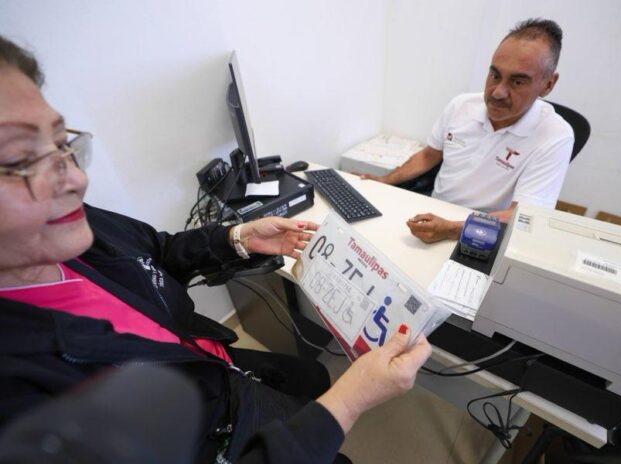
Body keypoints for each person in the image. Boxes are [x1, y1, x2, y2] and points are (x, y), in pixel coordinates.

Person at [0, 36, 432, 463]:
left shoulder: (75, 231)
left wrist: (238, 238)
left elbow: (158, 251)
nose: (77, 180)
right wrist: (349, 403)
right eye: (20, 161)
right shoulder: (20, 406)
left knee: (314, 374)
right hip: (214, 437)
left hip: (212, 366)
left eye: (62, 144)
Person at [360, 18, 574, 243]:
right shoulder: (462, 105)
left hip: (483, 232)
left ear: (548, 84)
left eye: (517, 82)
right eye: (495, 75)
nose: (498, 92)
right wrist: (386, 180)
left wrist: (451, 229)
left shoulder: (555, 136)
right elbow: (429, 155)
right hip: (430, 213)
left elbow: (522, 217)